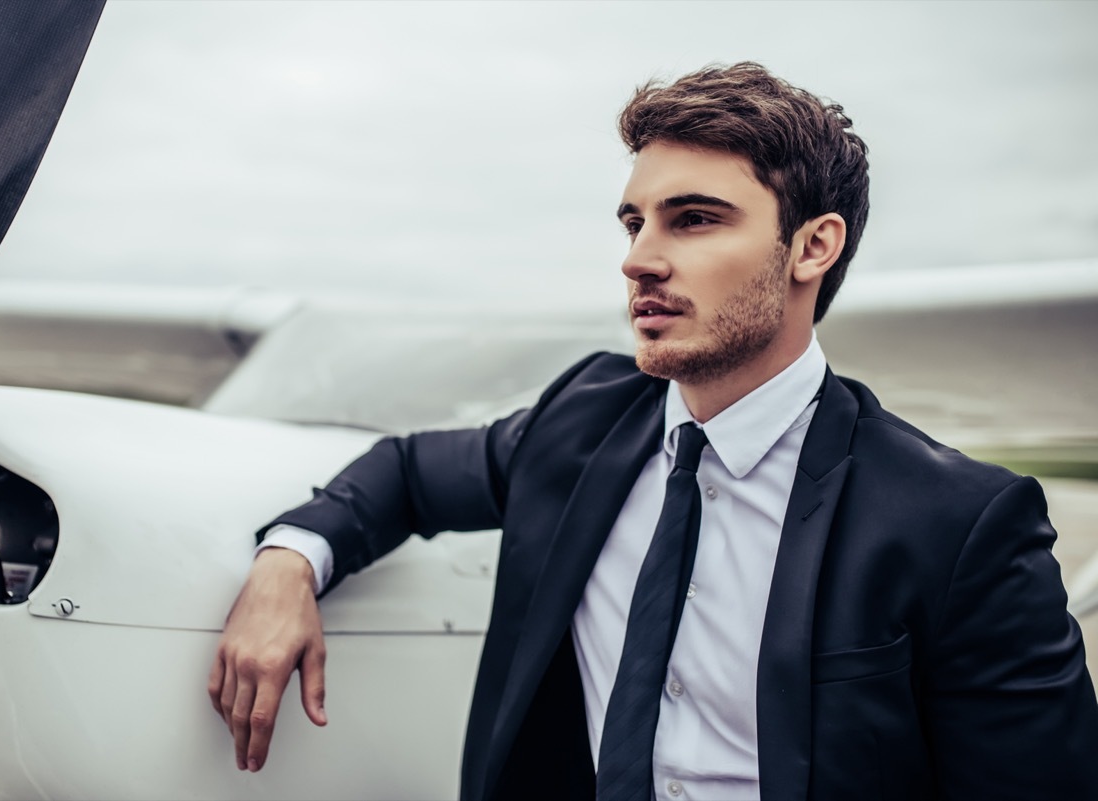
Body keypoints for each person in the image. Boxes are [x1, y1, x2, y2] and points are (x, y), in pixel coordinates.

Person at [208, 62, 1098, 800]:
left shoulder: (961, 521)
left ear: (812, 248)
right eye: (635, 221)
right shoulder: (580, 421)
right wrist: (289, 559)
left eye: (695, 218)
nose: (639, 257)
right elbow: (407, 471)